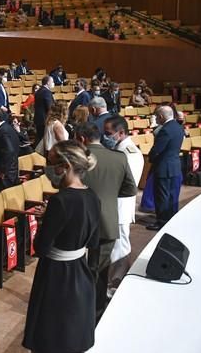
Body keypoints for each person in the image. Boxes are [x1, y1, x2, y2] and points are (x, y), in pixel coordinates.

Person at [23, 140, 101, 353]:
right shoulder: (92, 196)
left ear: (65, 166)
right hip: (80, 273)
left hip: (56, 276)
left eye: (51, 163)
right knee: (72, 345)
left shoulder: (60, 200)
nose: (47, 167)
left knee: (43, 346)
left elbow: (41, 247)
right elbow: (94, 240)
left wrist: (45, 222)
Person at [74, 122, 137, 321]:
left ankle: (77, 307)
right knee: (100, 271)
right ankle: (96, 312)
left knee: (73, 267)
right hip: (107, 221)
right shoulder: (119, 158)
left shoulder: (79, 159)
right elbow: (130, 190)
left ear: (82, 139)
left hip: (78, 221)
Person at [103, 116, 144, 293]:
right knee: (114, 247)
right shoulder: (120, 150)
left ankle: (115, 287)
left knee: (119, 249)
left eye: (108, 133)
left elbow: (128, 185)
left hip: (120, 207)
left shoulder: (129, 152)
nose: (105, 137)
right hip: (114, 207)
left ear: (121, 133)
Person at [147, 105, 184, 231]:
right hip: (174, 166)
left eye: (157, 116)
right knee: (172, 196)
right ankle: (171, 218)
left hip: (163, 167)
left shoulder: (165, 130)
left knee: (162, 196)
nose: (156, 118)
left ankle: (162, 221)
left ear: (161, 116)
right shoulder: (179, 127)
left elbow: (157, 149)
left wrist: (150, 158)